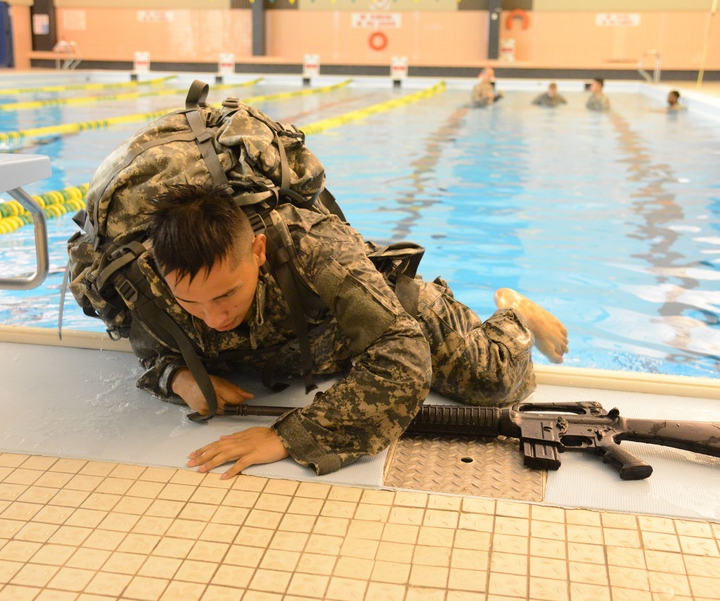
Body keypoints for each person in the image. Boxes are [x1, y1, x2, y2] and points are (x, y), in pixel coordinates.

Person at [134, 183, 569, 479]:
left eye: (227, 294)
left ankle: (515, 311)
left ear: (258, 251)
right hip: (310, 349)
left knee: (492, 381)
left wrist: (289, 435)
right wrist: (181, 377)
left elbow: (403, 357)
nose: (212, 317)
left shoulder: (312, 246)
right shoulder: (150, 279)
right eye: (191, 303)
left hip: (392, 315)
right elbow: (150, 349)